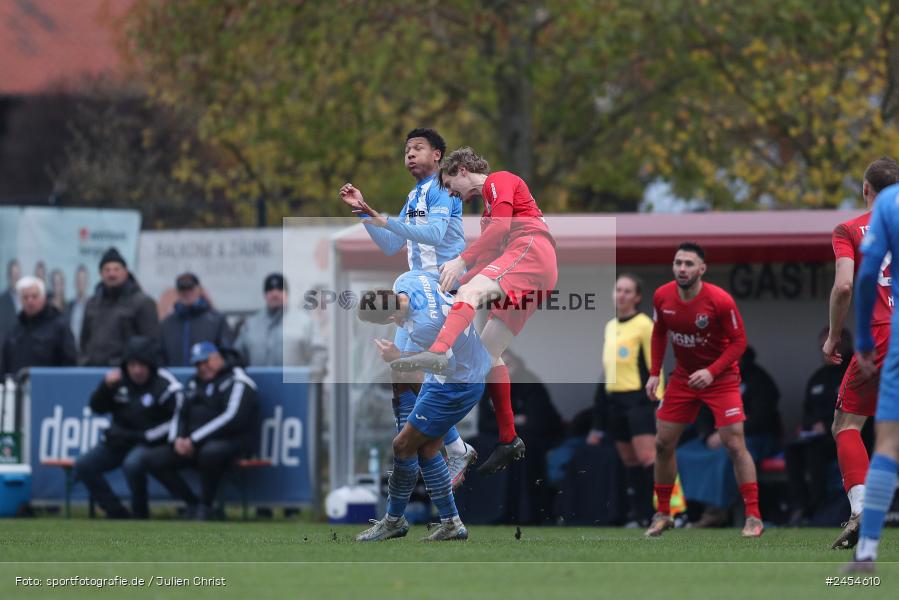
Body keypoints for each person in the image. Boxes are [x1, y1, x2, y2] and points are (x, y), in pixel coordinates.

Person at [391, 146, 559, 476]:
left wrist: (460, 263)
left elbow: (498, 235)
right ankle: (509, 439)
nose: (453, 193)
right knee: (486, 356)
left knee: (470, 292)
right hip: (531, 268)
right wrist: (451, 285)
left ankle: (438, 352)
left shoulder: (499, 180)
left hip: (531, 250)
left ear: (462, 169)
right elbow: (487, 260)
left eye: (451, 184)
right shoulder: (486, 213)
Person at [338, 128, 475, 484]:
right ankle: (448, 450)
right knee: (404, 375)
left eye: (418, 148)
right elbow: (389, 244)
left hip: (443, 293)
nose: (410, 154)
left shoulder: (443, 191)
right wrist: (362, 212)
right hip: (422, 291)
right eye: (407, 150)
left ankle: (432, 453)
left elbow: (431, 235)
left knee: (418, 373)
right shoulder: (415, 195)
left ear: (438, 157)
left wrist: (381, 217)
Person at [355, 271, 490, 541]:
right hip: (458, 375)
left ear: (393, 319)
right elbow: (447, 281)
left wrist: (399, 357)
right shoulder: (409, 280)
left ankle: (394, 520)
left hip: (457, 384)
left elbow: (444, 364)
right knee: (427, 448)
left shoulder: (423, 327)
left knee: (403, 445)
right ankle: (451, 523)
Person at [643, 241, 762, 538]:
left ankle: (753, 516)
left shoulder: (719, 300)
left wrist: (711, 372)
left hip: (720, 378)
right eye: (678, 263)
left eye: (688, 264)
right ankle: (663, 514)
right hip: (683, 378)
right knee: (662, 444)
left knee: (734, 445)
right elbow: (658, 333)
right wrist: (654, 373)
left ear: (702, 269)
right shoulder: (662, 296)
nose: (682, 269)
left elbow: (739, 343)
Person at [824, 157, 899, 550]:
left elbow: (843, 287)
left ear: (865, 189)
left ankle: (861, 506)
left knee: (847, 423)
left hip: (885, 336)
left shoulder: (849, 230)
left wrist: (834, 336)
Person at [845, 176, 899, 572]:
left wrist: (860, 337)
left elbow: (860, 279)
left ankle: (866, 555)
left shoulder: (888, 205)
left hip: (890, 335)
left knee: (884, 440)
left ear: (867, 187)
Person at [142, 342, 259, 520]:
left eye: (206, 361)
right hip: (193, 443)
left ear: (218, 357)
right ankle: (192, 503)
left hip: (233, 441)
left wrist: (194, 440)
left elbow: (232, 418)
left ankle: (206, 506)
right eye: (197, 364)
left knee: (210, 452)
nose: (202, 367)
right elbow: (181, 413)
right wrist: (177, 440)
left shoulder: (238, 380)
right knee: (152, 459)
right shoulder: (193, 382)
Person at [73, 336, 181, 519]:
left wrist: (143, 436)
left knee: (133, 463)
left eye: (142, 365)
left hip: (149, 442)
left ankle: (140, 513)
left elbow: (177, 419)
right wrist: (105, 388)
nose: (137, 371)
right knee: (84, 465)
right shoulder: (117, 381)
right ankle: (115, 511)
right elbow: (96, 408)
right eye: (132, 365)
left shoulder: (165, 384)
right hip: (119, 441)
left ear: (150, 365)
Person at [679, 346, 781, 528]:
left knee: (728, 454)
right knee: (682, 454)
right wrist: (706, 436)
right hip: (717, 437)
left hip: (753, 437)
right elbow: (703, 412)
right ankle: (685, 512)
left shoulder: (758, 379)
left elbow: (762, 417)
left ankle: (716, 512)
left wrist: (729, 432)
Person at [589, 273, 662, 527]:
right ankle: (640, 514)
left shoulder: (644, 325)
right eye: (618, 290)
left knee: (647, 458)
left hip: (638, 400)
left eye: (627, 291)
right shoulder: (610, 326)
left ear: (637, 297)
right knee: (629, 460)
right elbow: (608, 370)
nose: (621, 295)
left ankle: (662, 511)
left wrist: (657, 399)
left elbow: (656, 364)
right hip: (615, 401)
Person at [785, 328, 851, 525]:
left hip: (846, 434)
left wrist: (827, 425)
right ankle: (799, 507)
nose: (828, 350)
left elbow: (862, 410)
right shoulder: (818, 377)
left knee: (814, 452)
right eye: (824, 346)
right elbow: (807, 411)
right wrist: (808, 426)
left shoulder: (855, 371)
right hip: (816, 437)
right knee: (792, 450)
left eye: (833, 345)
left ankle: (817, 507)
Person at [79, 248, 159, 366]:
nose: (112, 274)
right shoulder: (92, 303)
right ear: (101, 274)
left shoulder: (143, 302)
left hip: (126, 375)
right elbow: (84, 340)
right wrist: (84, 361)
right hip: (92, 371)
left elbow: (152, 343)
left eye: (116, 269)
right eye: (107, 270)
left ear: (126, 272)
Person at [234, 273, 326, 370]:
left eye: (280, 289)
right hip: (258, 383)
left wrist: (311, 380)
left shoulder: (305, 322)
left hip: (295, 384)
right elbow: (238, 356)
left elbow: (319, 354)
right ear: (265, 295)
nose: (275, 294)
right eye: (270, 290)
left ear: (287, 293)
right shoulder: (251, 325)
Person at [0, 276, 76, 377]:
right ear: (20, 301)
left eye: (34, 296)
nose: (30, 301)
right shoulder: (14, 330)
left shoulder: (59, 326)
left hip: (49, 388)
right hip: (18, 389)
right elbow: (5, 365)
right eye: (25, 297)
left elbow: (70, 364)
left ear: (43, 297)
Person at [160, 273, 233, 366]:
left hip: (208, 378)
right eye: (182, 289)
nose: (186, 293)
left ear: (199, 289)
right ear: (177, 292)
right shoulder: (167, 323)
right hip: (175, 378)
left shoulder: (217, 320)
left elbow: (227, 355)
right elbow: (161, 356)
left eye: (190, 288)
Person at [65, 265, 90, 353]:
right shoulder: (69, 306)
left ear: (87, 282)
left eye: (83, 280)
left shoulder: (92, 306)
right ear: (75, 282)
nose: (81, 284)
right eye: (79, 280)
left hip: (86, 352)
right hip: (70, 351)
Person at [0, 259, 21, 351]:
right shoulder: (2, 300)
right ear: (9, 276)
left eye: (17, 275)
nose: (16, 278)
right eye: (13, 275)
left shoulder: (26, 298)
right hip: (9, 351)